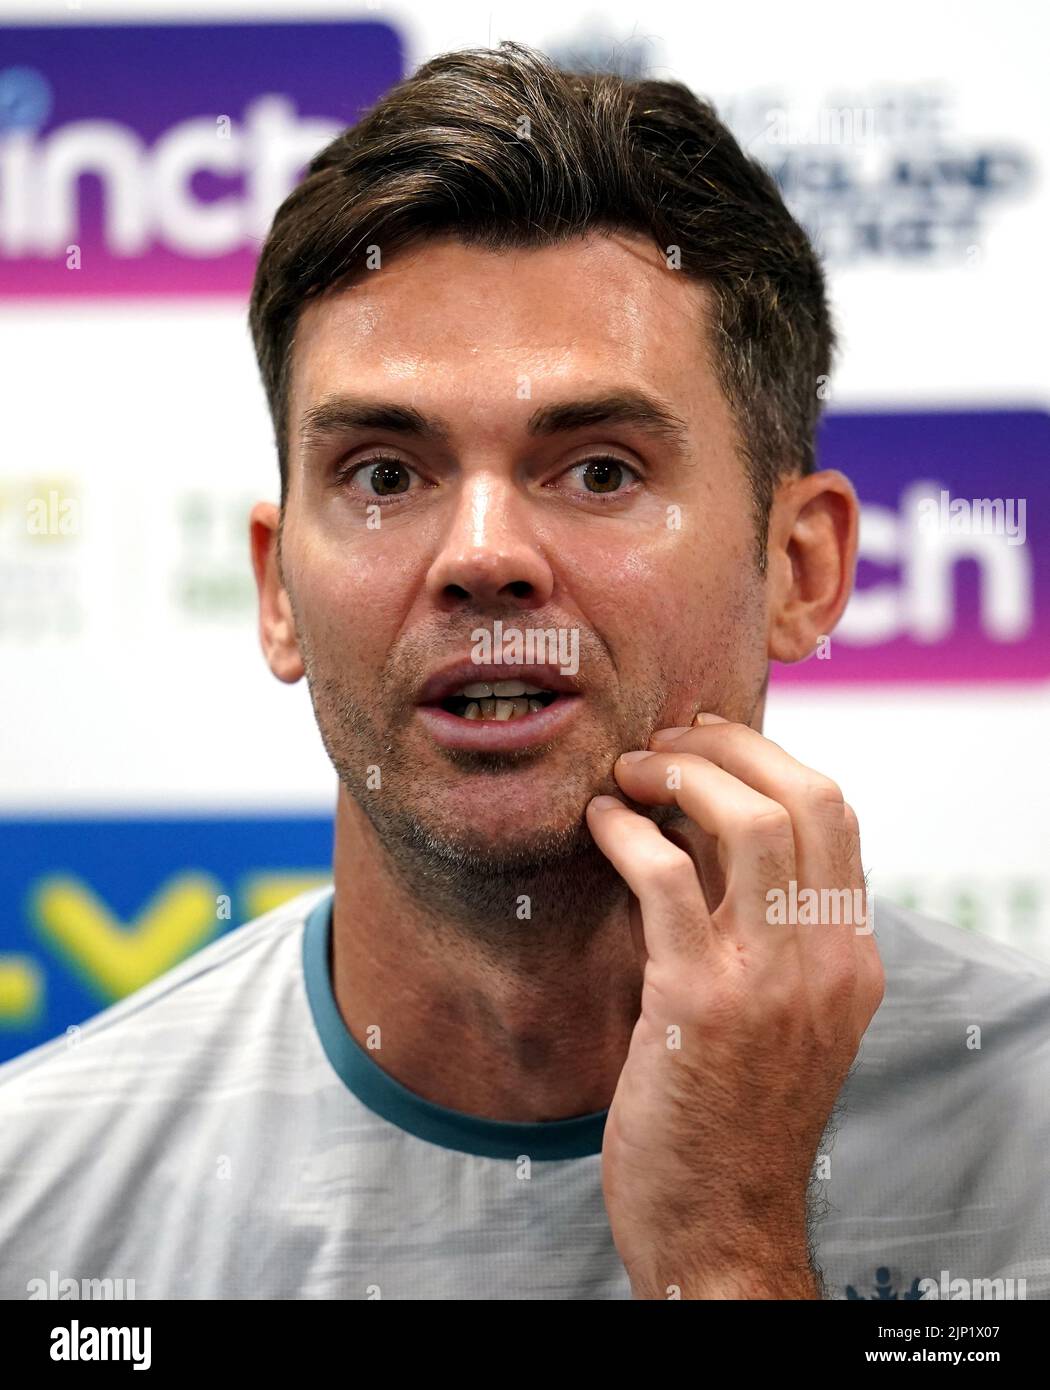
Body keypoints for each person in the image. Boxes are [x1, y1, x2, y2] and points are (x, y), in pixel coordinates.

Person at [2, 41, 1047, 1302]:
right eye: (385, 475)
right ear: (277, 590)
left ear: (799, 567)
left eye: (600, 469)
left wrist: (728, 1258)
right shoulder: (36, 1204)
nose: (482, 556)